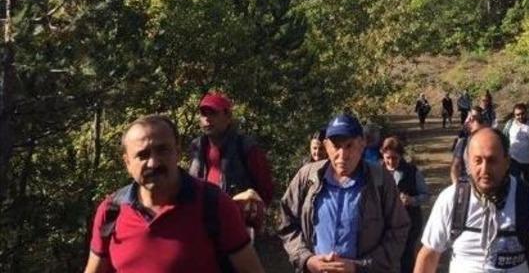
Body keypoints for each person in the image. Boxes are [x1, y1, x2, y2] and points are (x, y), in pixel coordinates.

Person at [83, 115, 265, 273]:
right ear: (127, 163)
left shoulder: (213, 204)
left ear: (177, 152)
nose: (153, 163)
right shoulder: (111, 212)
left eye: (162, 150)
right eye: (143, 155)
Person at [414, 128, 529, 273]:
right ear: (468, 163)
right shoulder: (451, 199)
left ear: (507, 162)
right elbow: (429, 256)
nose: (485, 169)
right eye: (478, 161)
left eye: (492, 161)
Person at [278, 113, 410, 273]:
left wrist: (359, 266)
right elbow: (287, 223)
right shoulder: (307, 177)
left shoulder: (380, 180)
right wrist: (307, 260)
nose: (342, 155)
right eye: (336, 146)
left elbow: (399, 230)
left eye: (349, 146)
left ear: (362, 144)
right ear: (326, 146)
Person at [189, 91, 274, 235]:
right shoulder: (197, 147)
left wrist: (251, 217)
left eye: (213, 113)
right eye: (203, 114)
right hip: (203, 228)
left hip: (237, 228)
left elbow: (265, 190)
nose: (207, 119)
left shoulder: (246, 147)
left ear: (228, 117)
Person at [380, 136, 429, 273]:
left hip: (409, 223)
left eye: (395, 158)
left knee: (406, 257)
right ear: (382, 154)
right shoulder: (376, 172)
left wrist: (411, 200)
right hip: (383, 223)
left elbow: (425, 195)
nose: (391, 162)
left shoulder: (412, 171)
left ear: (401, 156)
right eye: (388, 158)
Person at [501, 103, 529, 189]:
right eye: (517, 115)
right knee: (514, 182)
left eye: (522, 113)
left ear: (526, 113)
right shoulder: (510, 125)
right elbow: (503, 139)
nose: (520, 116)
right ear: (514, 115)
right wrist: (504, 154)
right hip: (514, 159)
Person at [450, 106, 488, 184]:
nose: (470, 121)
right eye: (470, 119)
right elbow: (456, 166)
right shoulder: (463, 142)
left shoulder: (490, 142)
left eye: (478, 120)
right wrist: (455, 185)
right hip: (466, 183)